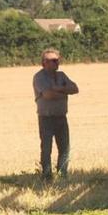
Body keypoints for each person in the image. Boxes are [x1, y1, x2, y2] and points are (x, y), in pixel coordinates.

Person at [32, 48, 79, 181]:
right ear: (44, 63)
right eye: (53, 60)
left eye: (57, 60)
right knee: (46, 148)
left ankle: (62, 174)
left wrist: (59, 89)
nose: (56, 62)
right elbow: (48, 95)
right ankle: (46, 176)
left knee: (64, 148)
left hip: (61, 117)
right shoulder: (39, 77)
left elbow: (75, 89)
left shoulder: (62, 76)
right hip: (46, 118)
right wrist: (65, 92)